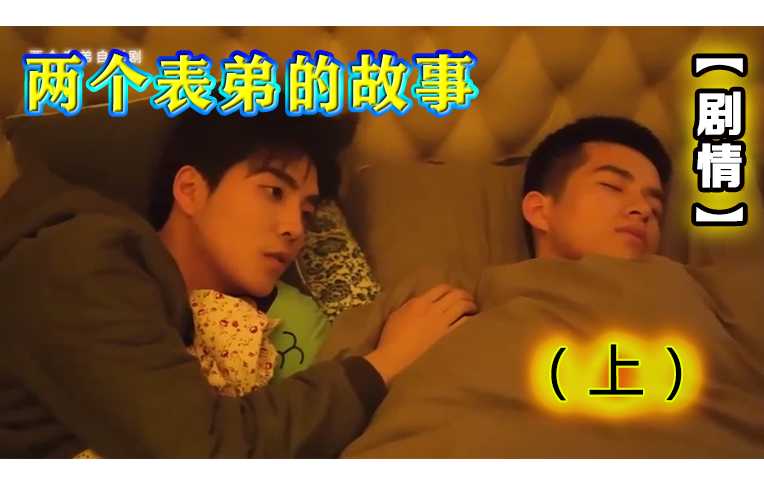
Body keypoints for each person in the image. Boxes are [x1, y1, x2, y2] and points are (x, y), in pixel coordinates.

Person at [0, 110, 476, 458]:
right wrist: (386, 360)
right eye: (273, 191)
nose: (294, 228)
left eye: (307, 212)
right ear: (190, 190)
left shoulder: (226, 319)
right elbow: (204, 450)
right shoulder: (82, 260)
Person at [521, 116, 672, 260]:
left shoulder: (679, 276)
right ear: (539, 211)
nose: (645, 209)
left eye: (655, 209)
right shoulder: (508, 278)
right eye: (612, 186)